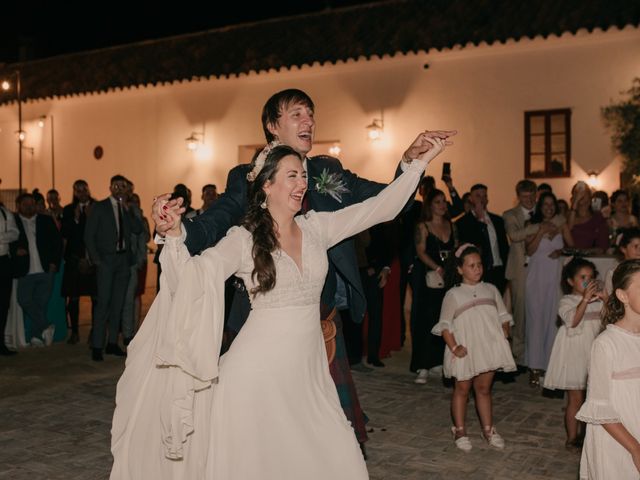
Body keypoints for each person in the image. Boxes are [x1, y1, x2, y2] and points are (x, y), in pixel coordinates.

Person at [110, 140, 446, 478]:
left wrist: (417, 164)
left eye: (303, 176)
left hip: (309, 375)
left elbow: (381, 208)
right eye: (291, 176)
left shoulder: (318, 227)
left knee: (342, 459)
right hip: (253, 379)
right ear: (266, 185)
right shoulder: (244, 239)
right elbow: (194, 276)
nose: (302, 183)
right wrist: (174, 234)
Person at [151, 88, 456, 448]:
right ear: (272, 125)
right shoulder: (247, 181)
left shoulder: (326, 173)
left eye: (311, 114)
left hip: (322, 323)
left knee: (331, 435)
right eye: (296, 114)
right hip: (259, 325)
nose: (308, 121)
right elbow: (213, 225)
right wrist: (178, 230)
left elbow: (388, 203)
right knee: (262, 436)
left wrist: (411, 163)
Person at [431, 244, 516, 452]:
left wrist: (504, 332)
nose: (477, 269)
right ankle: (459, 430)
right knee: (462, 389)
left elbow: (503, 315)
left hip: (487, 347)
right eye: (471, 266)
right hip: (465, 348)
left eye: (479, 265)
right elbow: (445, 325)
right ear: (460, 269)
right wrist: (454, 347)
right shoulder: (454, 294)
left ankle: (488, 429)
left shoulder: (491, 289)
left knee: (484, 389)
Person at [576, 259, 640, 479]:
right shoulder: (606, 344)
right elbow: (599, 410)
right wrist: (635, 448)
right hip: (619, 440)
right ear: (623, 296)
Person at [544, 258, 604, 450]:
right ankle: (572, 437)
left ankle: (588, 437)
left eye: (591, 277)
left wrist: (606, 298)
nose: (587, 281)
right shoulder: (566, 301)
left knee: (593, 398)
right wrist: (585, 299)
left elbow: (611, 319)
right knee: (576, 399)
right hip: (575, 353)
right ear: (570, 281)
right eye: (582, 277)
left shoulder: (597, 301)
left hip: (594, 352)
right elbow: (573, 321)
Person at [84, 175, 142, 361]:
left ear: (127, 189)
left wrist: (128, 210)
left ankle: (112, 343)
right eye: (116, 185)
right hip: (106, 261)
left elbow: (138, 229)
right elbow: (89, 235)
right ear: (110, 187)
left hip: (123, 261)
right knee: (103, 303)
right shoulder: (100, 207)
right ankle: (97, 345)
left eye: (123, 186)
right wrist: (96, 260)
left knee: (119, 303)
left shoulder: (128, 208)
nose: (119, 189)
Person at [524, 192, 573, 387]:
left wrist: (561, 251)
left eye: (552, 204)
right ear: (540, 206)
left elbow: (572, 246)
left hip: (555, 278)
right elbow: (529, 250)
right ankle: (534, 367)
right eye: (545, 204)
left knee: (553, 321)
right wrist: (541, 231)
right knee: (536, 321)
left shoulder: (562, 224)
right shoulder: (532, 225)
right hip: (536, 279)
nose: (549, 208)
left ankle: (551, 366)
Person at [411, 188, 455, 383]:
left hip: (449, 277)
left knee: (444, 318)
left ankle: (437, 361)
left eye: (444, 201)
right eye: (438, 202)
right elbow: (420, 252)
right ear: (429, 205)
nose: (443, 205)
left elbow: (456, 249)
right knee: (425, 319)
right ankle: (422, 365)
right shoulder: (423, 226)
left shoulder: (451, 225)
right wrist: (438, 268)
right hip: (428, 276)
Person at [502, 179, 538, 367]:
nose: (529, 200)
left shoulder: (543, 211)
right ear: (518, 197)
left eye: (532, 196)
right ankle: (518, 353)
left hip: (540, 269)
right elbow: (515, 236)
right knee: (521, 312)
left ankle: (537, 350)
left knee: (539, 310)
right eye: (525, 197)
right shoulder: (510, 215)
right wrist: (540, 227)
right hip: (519, 270)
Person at [60, 179, 97, 345]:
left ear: (89, 190)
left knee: (96, 298)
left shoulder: (98, 207)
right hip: (75, 259)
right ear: (74, 192)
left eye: (84, 189)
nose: (82, 192)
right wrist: (75, 219)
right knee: (73, 298)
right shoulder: (68, 210)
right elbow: (65, 234)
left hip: (93, 259)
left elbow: (101, 233)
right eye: (78, 190)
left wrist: (90, 218)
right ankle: (74, 331)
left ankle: (95, 331)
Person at [0, 202, 19, 355]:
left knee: (3, 304)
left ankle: (0, 343)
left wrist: (0, 237)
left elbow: (15, 233)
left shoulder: (6, 213)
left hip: (3, 261)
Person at [605, 227, 640, 294]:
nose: (639, 250)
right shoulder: (613, 273)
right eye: (636, 246)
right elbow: (610, 298)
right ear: (623, 249)